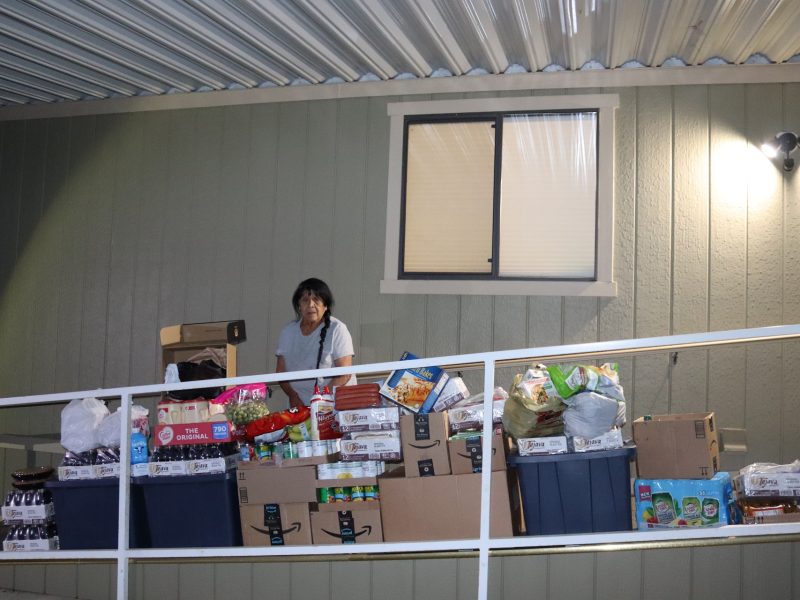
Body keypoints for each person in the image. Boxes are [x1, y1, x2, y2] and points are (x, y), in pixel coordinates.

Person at [275, 278, 357, 407]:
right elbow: (280, 373)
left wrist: (321, 399)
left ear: (325, 305)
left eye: (316, 300)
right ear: (299, 306)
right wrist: (293, 396)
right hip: (299, 405)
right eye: (305, 300)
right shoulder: (288, 332)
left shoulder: (337, 329)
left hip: (333, 404)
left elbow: (344, 374)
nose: (311, 305)